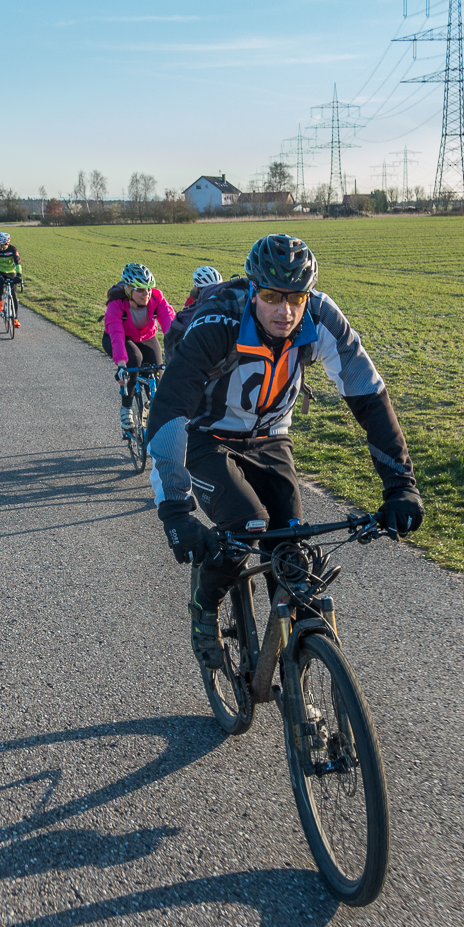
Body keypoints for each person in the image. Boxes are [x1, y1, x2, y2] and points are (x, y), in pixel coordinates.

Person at [146, 233, 424, 670]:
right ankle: (205, 607)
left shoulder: (320, 316)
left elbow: (368, 394)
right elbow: (169, 413)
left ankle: (302, 675)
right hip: (208, 436)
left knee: (292, 552)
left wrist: (400, 484)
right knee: (248, 526)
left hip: (271, 436)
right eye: (273, 296)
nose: (286, 310)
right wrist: (175, 511)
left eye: (296, 297)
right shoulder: (218, 323)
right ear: (254, 289)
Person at [103, 263, 175, 433]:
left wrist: (181, 353)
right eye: (140, 290)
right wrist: (121, 365)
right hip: (121, 339)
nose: (146, 294)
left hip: (146, 337)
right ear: (128, 290)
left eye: (149, 288)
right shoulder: (116, 305)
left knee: (158, 375)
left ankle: (153, 413)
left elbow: (172, 329)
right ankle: (126, 408)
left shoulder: (157, 299)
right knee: (135, 360)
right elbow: (117, 336)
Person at [0, 232, 22, 326]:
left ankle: (15, 318)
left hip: (11, 272)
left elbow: (17, 262)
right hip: (0, 271)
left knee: (14, 295)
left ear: (4, 244)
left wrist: (18, 275)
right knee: (0, 285)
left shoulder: (12, 249)